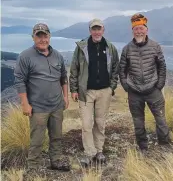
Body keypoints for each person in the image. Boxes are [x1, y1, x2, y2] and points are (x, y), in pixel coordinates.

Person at [14, 23, 70, 174]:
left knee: (57, 136)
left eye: (45, 36)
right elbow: (20, 81)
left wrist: (65, 97)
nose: (42, 39)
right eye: (39, 36)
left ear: (49, 36)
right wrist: (25, 104)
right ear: (33, 37)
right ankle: (33, 168)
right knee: (37, 140)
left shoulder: (57, 55)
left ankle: (56, 161)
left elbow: (64, 77)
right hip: (38, 108)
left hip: (57, 105)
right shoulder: (25, 56)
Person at [69, 18, 119, 166]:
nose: (96, 32)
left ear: (103, 30)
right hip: (86, 91)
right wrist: (74, 89)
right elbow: (74, 68)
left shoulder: (110, 47)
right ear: (90, 31)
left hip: (104, 91)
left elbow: (116, 68)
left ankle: (99, 150)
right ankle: (89, 153)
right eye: (94, 29)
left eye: (99, 29)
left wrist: (112, 87)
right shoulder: (82, 47)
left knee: (100, 122)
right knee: (86, 124)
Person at [119, 13, 170, 153]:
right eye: (136, 29)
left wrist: (159, 85)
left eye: (141, 28)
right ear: (133, 31)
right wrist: (126, 86)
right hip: (134, 92)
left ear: (146, 29)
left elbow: (162, 66)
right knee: (138, 122)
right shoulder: (127, 49)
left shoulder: (155, 46)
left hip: (153, 90)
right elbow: (121, 69)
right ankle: (143, 148)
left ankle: (164, 146)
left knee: (161, 120)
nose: (139, 31)